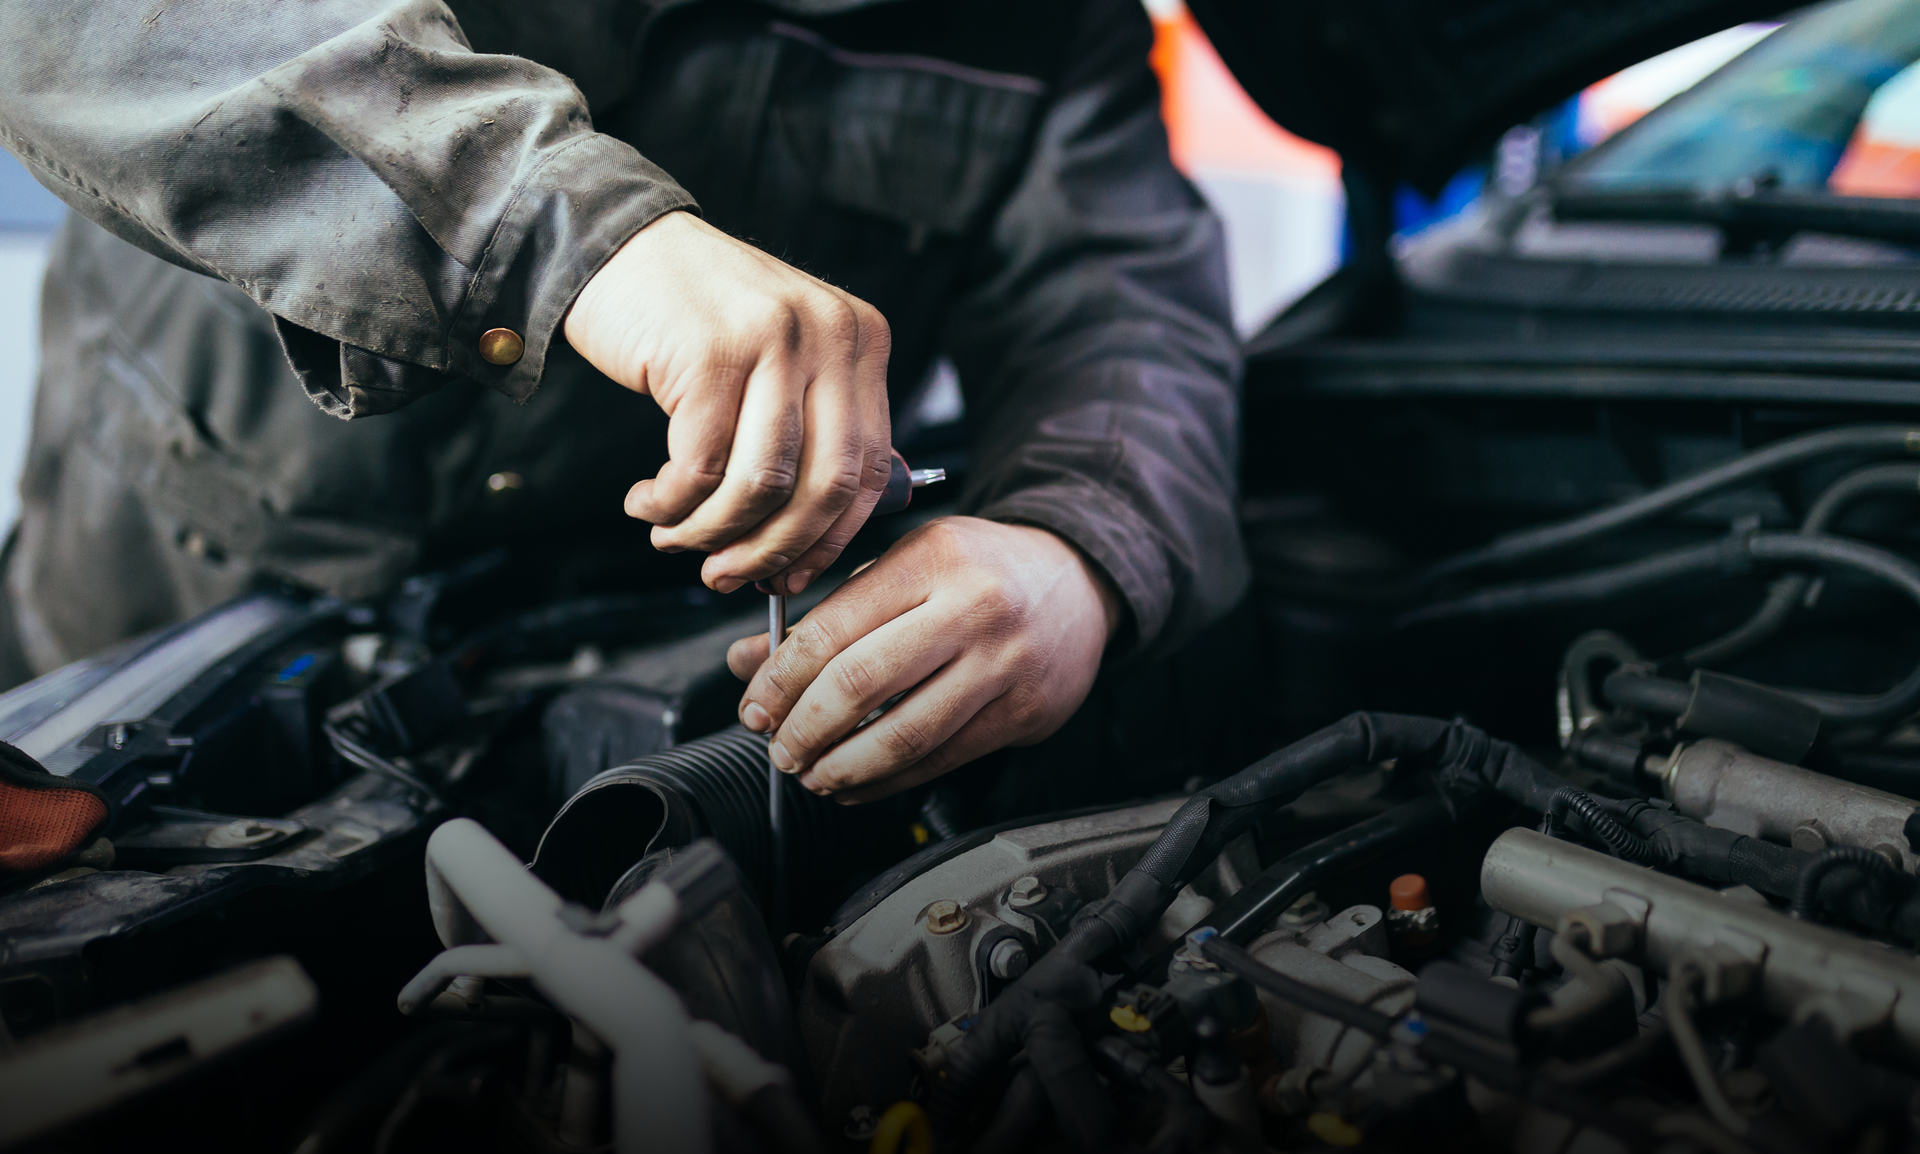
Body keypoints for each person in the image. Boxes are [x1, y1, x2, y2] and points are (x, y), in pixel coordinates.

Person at [0, 0, 1246, 802]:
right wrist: (564, 232)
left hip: (632, 680)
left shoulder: (1052, 34)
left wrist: (1077, 546)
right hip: (161, 628)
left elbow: (1123, 306)